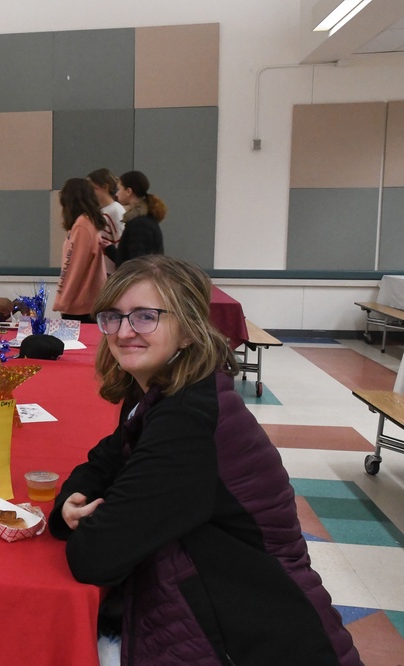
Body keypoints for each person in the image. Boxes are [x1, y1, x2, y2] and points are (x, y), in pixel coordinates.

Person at [49, 255, 360, 666]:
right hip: (217, 615)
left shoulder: (188, 418)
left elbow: (95, 555)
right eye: (113, 316)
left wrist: (86, 517)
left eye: (146, 317)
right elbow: (105, 461)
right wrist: (72, 497)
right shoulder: (159, 388)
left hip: (253, 638)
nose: (124, 332)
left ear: (187, 331)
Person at [52, 178, 107, 323]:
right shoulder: (87, 223)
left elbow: (73, 267)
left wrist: (62, 300)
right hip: (87, 304)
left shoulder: (82, 226)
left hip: (80, 307)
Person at [101, 170, 165, 268]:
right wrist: (109, 249)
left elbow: (136, 263)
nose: (116, 194)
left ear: (128, 191)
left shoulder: (139, 224)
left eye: (119, 189)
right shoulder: (143, 220)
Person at [87, 168, 125, 276]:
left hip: (111, 273)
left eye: (94, 188)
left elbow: (120, 243)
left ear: (105, 187)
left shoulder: (115, 211)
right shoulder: (101, 211)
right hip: (101, 272)